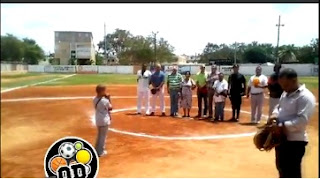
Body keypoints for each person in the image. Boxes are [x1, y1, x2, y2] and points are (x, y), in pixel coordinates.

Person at [270, 68, 316, 178]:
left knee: (291, 173)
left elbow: (301, 121)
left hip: (294, 143)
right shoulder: (286, 93)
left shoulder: (305, 97)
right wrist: (275, 115)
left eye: (285, 85)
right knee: (282, 169)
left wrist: (281, 127)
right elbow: (279, 107)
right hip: (282, 140)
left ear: (294, 80)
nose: (283, 88)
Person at [93, 84, 112, 157]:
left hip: (98, 119)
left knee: (99, 135)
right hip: (104, 120)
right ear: (101, 91)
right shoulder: (105, 101)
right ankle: (100, 151)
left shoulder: (94, 99)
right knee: (103, 137)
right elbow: (110, 108)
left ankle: (96, 149)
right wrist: (109, 99)